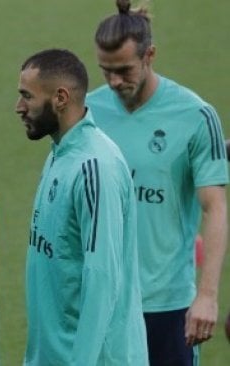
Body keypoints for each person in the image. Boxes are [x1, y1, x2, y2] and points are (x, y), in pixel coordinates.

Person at [87, 1, 229, 364]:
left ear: (150, 54)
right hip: (102, 301)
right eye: (106, 71)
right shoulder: (87, 115)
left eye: (124, 70)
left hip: (167, 304)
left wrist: (207, 296)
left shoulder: (196, 116)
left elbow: (215, 207)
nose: (115, 81)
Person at [16, 48, 148, 365]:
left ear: (60, 98)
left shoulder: (95, 167)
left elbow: (102, 277)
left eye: (27, 97)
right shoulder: (60, 153)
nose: (19, 107)